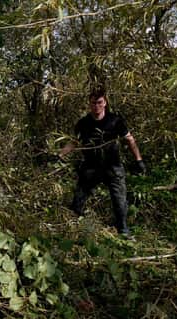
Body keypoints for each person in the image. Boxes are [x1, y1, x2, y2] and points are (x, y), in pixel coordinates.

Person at [59, 87, 146, 238]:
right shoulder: (83, 123)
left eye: (99, 102)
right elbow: (74, 142)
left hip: (112, 166)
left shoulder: (115, 120)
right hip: (91, 167)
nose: (96, 106)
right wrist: (60, 154)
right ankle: (74, 229)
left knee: (119, 200)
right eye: (93, 103)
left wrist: (139, 160)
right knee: (78, 199)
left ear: (105, 102)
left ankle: (123, 231)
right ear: (89, 104)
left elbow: (129, 139)